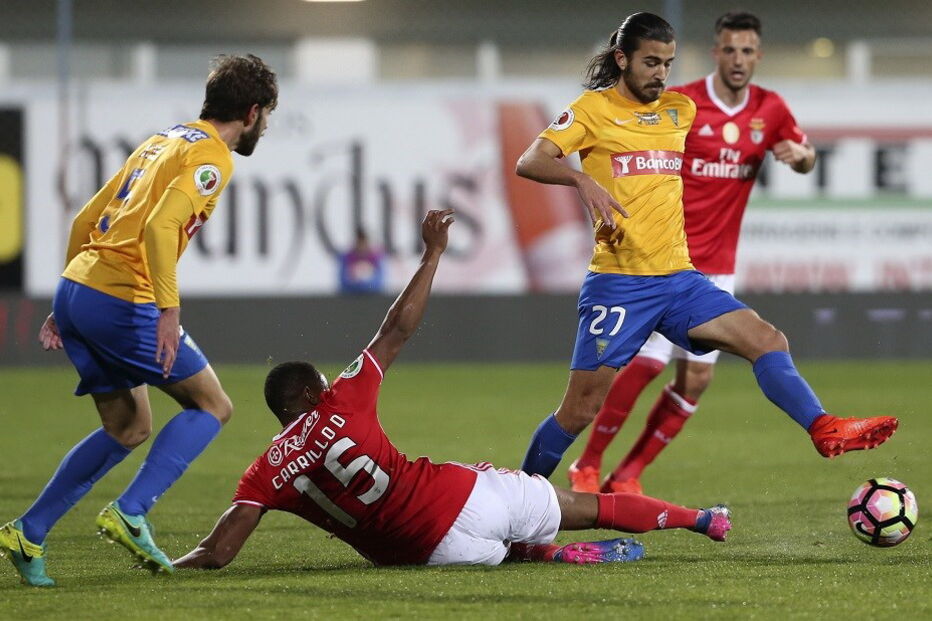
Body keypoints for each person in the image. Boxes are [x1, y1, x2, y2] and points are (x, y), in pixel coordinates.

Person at [173, 210, 732, 571]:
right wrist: (432, 254)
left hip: (431, 558)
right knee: (589, 507)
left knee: (497, 544)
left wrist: (169, 564)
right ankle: (702, 521)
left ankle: (541, 554)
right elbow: (396, 329)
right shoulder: (342, 397)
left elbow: (218, 553)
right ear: (317, 392)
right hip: (464, 500)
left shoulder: (266, 469)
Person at [515, 13, 897, 483]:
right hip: (620, 285)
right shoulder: (592, 110)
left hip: (680, 281)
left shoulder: (680, 110)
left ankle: (822, 427)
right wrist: (579, 179)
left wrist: (803, 156)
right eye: (650, 62)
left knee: (767, 340)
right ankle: (517, 505)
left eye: (668, 63)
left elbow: (750, 129)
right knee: (578, 410)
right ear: (622, 59)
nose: (660, 73)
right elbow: (529, 159)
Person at [0, 55, 278, 587]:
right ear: (251, 110)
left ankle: (28, 530)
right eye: (265, 115)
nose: (263, 126)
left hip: (79, 285)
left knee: (128, 426)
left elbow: (86, 219)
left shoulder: (160, 141)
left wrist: (66, 304)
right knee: (212, 405)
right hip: (125, 297)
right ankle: (131, 511)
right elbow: (160, 226)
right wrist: (167, 310)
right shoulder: (214, 156)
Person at [569, 12, 822, 494]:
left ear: (758, 56)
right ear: (716, 52)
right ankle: (588, 465)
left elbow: (806, 156)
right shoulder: (681, 103)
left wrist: (801, 157)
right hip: (665, 260)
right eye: (729, 49)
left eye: (747, 51)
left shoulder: (770, 109)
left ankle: (629, 475)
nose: (738, 60)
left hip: (718, 267)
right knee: (644, 366)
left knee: (696, 383)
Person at [338, 227, 386, 294]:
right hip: (352, 298)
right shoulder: (347, 257)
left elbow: (379, 282)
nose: (361, 245)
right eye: (359, 241)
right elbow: (343, 282)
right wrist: (356, 285)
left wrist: (365, 285)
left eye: (363, 241)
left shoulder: (376, 258)